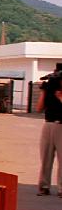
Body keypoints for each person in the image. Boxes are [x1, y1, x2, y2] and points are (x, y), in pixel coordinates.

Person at [36, 67, 62, 196]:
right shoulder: (50, 90)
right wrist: (43, 92)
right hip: (48, 123)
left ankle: (61, 189)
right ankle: (44, 186)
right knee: (46, 158)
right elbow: (39, 108)